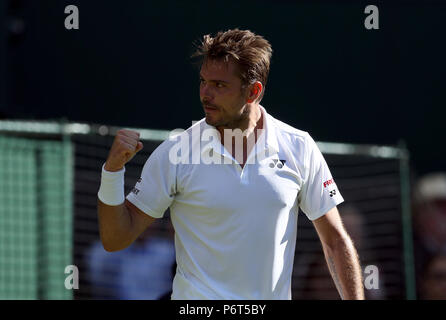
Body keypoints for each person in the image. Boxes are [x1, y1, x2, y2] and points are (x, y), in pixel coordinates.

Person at [97, 29, 364, 300]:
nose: (205, 94)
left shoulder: (300, 147)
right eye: (203, 81)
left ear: (253, 92)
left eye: (219, 85)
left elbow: (335, 242)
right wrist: (112, 172)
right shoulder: (176, 152)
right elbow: (115, 238)